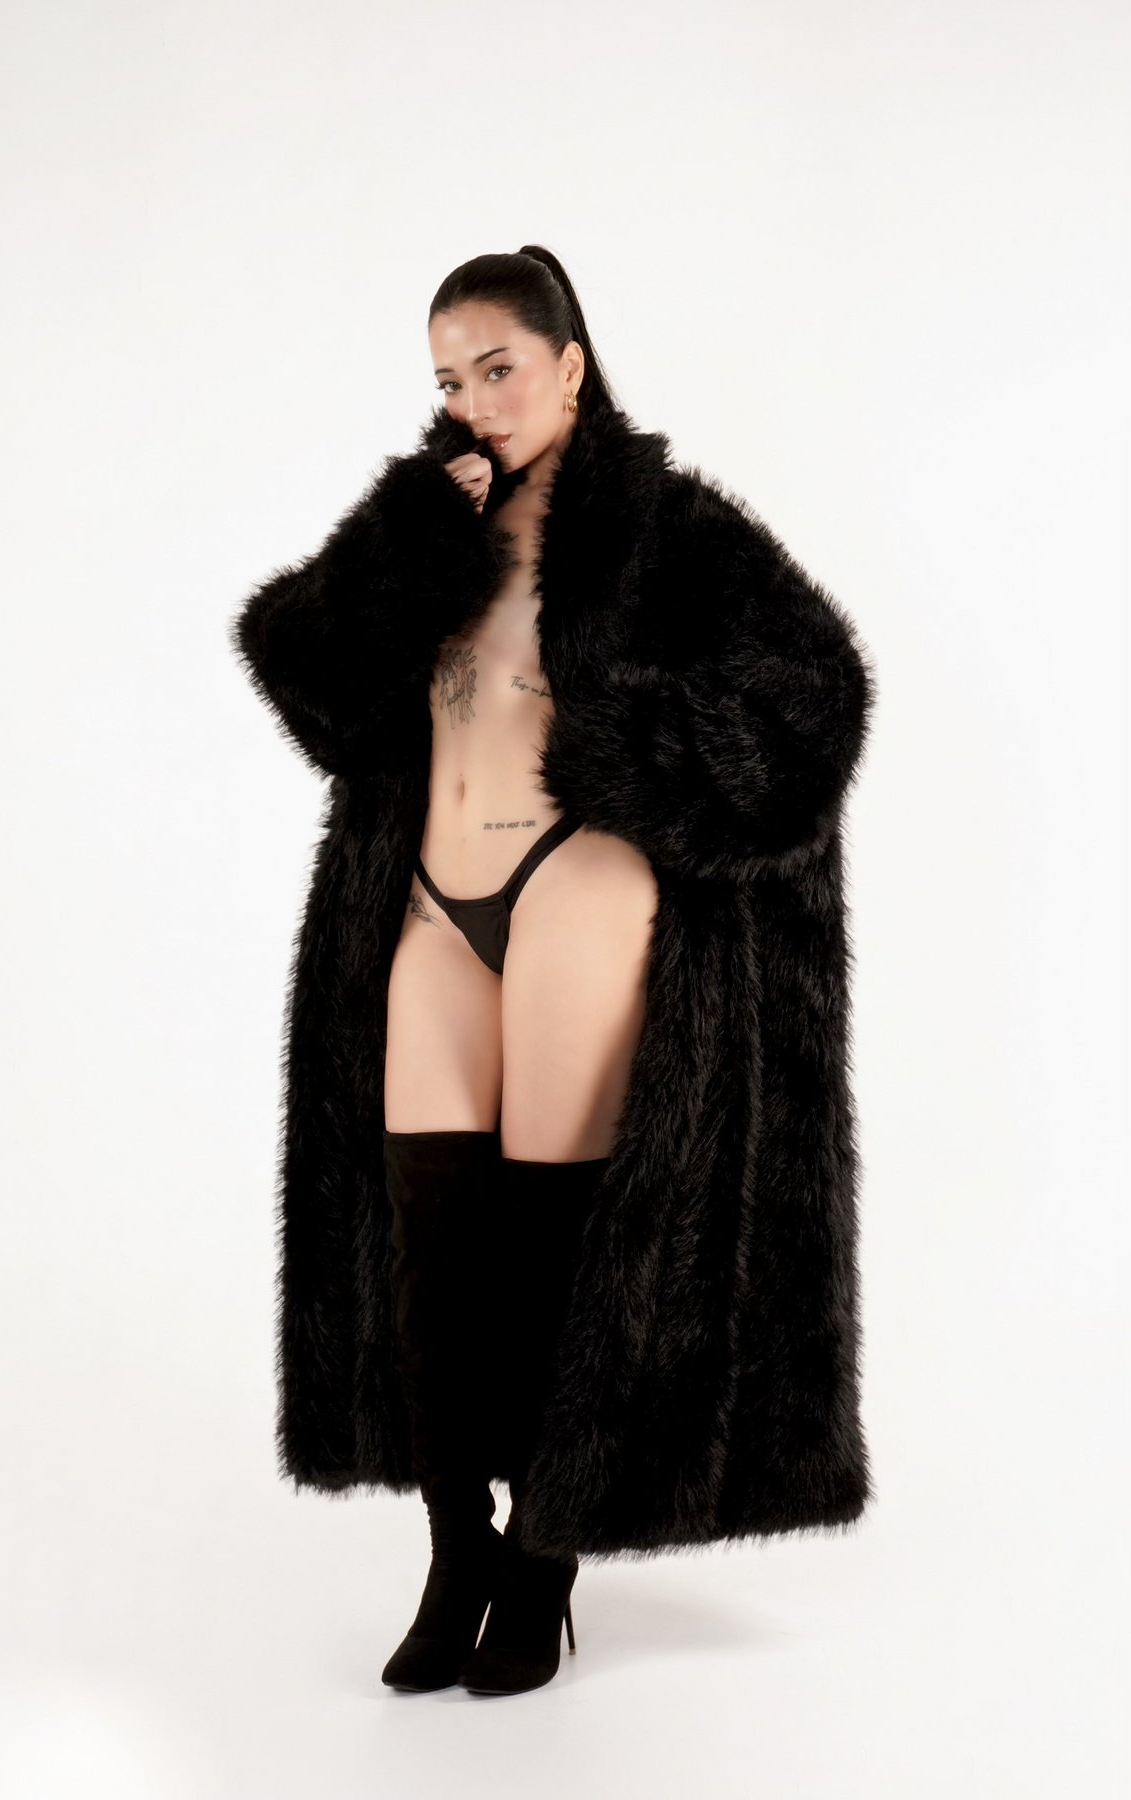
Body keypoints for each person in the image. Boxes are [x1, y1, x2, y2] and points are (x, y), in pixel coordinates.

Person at [231, 245, 877, 1700]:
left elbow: (813, 700)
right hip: (429, 901)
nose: (474, 402)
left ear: (571, 365)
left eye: (499, 368)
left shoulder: (669, 529)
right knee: (425, 1237)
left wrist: (628, 760)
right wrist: (405, 540)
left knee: (559, 1234)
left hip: (576, 881)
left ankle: (543, 1561)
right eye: (449, 379)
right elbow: (301, 672)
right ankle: (456, 1551)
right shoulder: (433, 524)